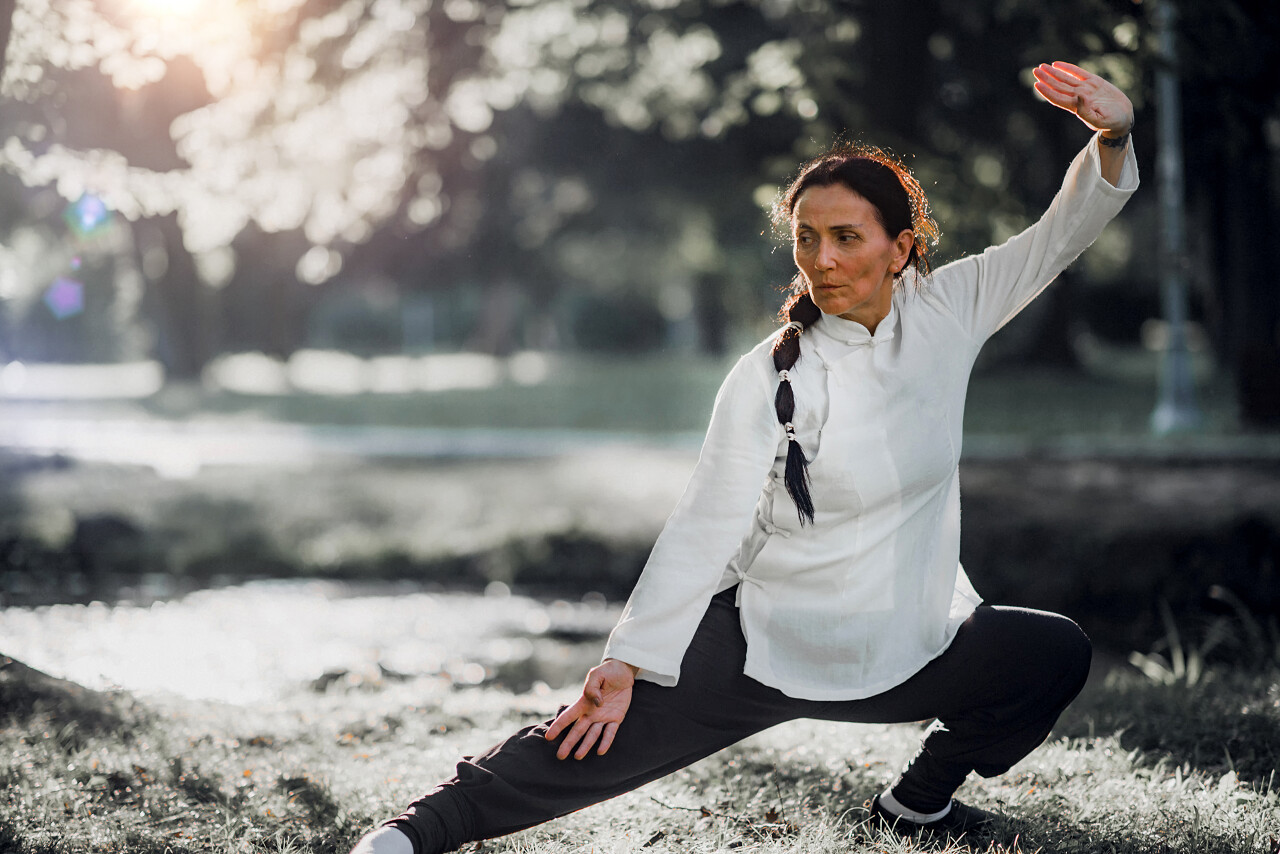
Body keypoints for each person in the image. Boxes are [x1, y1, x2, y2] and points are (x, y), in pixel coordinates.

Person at [349, 60, 1138, 854]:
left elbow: (1058, 238)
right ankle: (415, 832)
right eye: (806, 239)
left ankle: (916, 805)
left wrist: (1113, 133)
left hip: (910, 643)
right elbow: (706, 520)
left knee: (1049, 653)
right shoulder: (771, 372)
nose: (821, 259)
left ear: (901, 248)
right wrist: (628, 660)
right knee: (590, 739)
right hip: (767, 643)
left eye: (845, 237)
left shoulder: (951, 308)